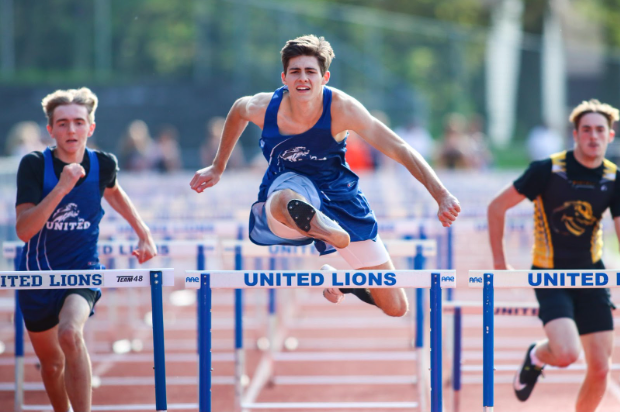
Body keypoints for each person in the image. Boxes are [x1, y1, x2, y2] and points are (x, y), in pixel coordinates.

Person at [190, 35, 460, 317]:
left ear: (325, 77)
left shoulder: (343, 108)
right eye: (295, 71)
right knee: (284, 196)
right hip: (289, 186)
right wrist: (218, 166)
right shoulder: (264, 107)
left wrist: (441, 195)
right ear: (284, 77)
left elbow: (399, 148)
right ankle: (316, 224)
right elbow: (237, 111)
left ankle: (342, 278)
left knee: (395, 306)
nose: (302, 79)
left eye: (310, 72)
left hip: (337, 194)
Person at [15, 87, 157, 412]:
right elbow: (24, 230)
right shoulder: (34, 166)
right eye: (62, 123)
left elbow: (114, 193)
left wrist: (143, 232)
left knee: (69, 333)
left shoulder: (103, 164)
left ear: (90, 128)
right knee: (51, 367)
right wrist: (62, 187)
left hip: (82, 271)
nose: (71, 130)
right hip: (37, 278)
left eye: (79, 122)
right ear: (50, 130)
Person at [488, 99, 619, 411]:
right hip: (550, 274)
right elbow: (497, 207)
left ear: (610, 136)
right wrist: (499, 264)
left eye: (600, 130)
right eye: (586, 129)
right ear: (575, 134)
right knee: (566, 354)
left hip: (592, 275)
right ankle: (537, 355)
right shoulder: (548, 170)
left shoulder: (614, 177)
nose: (593, 136)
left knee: (601, 369)